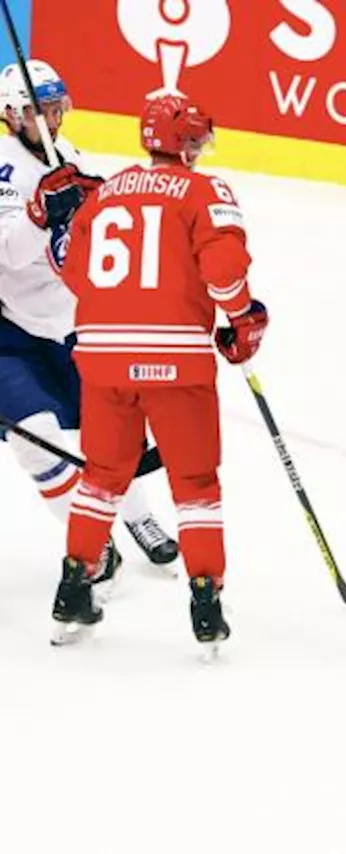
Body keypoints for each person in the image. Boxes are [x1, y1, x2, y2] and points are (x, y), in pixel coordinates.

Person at [51, 93, 267, 652]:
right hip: (175, 359)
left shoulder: (102, 196)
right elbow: (223, 273)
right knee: (194, 482)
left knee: (101, 474)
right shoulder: (204, 190)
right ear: (189, 142)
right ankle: (205, 601)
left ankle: (73, 588)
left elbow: (74, 273)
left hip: (100, 355)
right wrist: (242, 318)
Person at [0, 59, 177, 577]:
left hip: (69, 324)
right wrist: (39, 213)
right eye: (39, 111)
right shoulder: (5, 170)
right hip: (9, 329)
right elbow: (9, 253)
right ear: (11, 115)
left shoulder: (70, 158)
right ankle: (95, 542)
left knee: (112, 434)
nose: (52, 121)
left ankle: (138, 516)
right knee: (37, 440)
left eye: (57, 109)